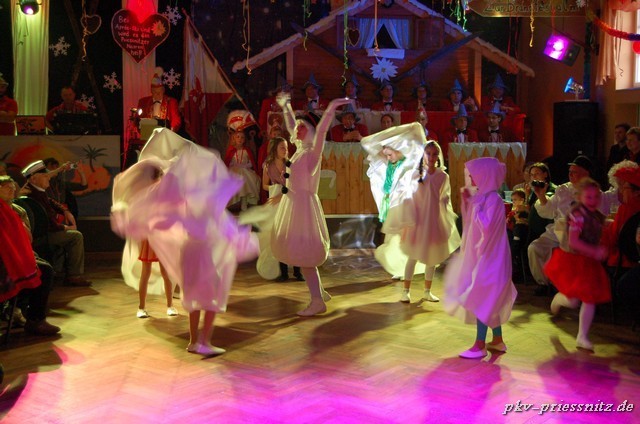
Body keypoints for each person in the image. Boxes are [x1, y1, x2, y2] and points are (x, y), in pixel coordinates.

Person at [111, 129, 259, 356]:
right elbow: (218, 219)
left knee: (195, 296)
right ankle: (203, 341)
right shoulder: (196, 198)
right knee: (211, 296)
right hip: (200, 251)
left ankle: (194, 341)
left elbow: (167, 218)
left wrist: (143, 220)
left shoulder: (183, 200)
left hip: (189, 251)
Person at [272, 93, 351, 316]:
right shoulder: (299, 151)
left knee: (305, 255)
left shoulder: (312, 154)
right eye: (297, 127)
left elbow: (323, 130)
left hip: (303, 208)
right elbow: (291, 125)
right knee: (301, 252)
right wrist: (286, 106)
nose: (297, 129)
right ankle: (319, 292)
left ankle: (317, 301)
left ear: (312, 131)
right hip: (295, 204)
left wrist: (332, 107)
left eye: (302, 127)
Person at [443, 157, 517, 359]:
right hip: (487, 255)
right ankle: (498, 339)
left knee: (482, 296)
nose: (472, 179)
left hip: (492, 256)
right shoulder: (484, 198)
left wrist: (474, 207)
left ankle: (480, 345)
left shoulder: (493, 200)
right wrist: (469, 203)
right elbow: (471, 225)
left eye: (475, 175)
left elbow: (486, 227)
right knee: (489, 297)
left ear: (485, 176)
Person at [527, 156, 618, 296]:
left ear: (586, 173)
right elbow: (549, 211)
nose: (570, 174)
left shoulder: (593, 192)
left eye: (574, 172)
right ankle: (545, 283)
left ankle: (568, 288)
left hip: (580, 235)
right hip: (557, 232)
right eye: (570, 171)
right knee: (534, 248)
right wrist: (541, 196)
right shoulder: (563, 189)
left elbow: (601, 215)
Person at [545, 178, 609, 351]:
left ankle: (582, 336)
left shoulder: (595, 215)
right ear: (579, 197)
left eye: (596, 197)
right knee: (573, 301)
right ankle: (559, 298)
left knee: (589, 298)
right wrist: (594, 251)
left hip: (587, 262)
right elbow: (574, 242)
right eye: (589, 197)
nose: (593, 201)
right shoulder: (578, 215)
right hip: (572, 261)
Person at [361, 122, 426, 279]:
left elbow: (419, 140)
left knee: (403, 238)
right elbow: (369, 147)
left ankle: (405, 268)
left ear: (400, 150)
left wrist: (413, 127)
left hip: (405, 207)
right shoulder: (388, 164)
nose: (387, 157)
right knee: (394, 237)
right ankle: (399, 269)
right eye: (387, 155)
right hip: (391, 205)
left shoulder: (408, 165)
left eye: (390, 154)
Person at [400, 141, 460, 303]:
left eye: (435, 154)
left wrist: (445, 216)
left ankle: (427, 291)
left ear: (439, 156)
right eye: (428, 154)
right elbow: (408, 198)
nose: (431, 157)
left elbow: (444, 198)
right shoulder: (415, 175)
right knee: (413, 255)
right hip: (418, 221)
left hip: (434, 220)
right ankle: (406, 291)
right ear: (423, 155)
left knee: (432, 256)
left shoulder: (443, 176)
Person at [0, 176, 59, 335]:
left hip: (18, 252)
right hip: (5, 258)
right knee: (43, 272)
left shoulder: (17, 210)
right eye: (6, 187)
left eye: (13, 187)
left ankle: (29, 316)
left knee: (44, 269)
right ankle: (27, 315)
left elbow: (27, 238)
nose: (12, 190)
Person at [241, 137, 304, 282]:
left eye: (286, 147)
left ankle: (297, 271)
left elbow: (296, 185)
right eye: (282, 147)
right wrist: (275, 188)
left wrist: (281, 194)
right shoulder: (268, 166)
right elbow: (264, 185)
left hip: (290, 203)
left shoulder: (291, 165)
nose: (285, 150)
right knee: (279, 236)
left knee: (293, 236)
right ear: (275, 149)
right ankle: (283, 272)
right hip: (276, 204)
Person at [22, 160, 91, 287]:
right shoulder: (33, 194)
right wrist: (67, 227)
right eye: (45, 176)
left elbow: (50, 201)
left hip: (46, 232)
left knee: (68, 235)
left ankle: (58, 271)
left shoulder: (38, 191)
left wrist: (65, 210)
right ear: (34, 179)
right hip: (42, 235)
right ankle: (74, 276)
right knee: (76, 236)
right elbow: (49, 224)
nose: (49, 178)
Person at [224, 113, 261, 211]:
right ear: (234, 138)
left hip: (245, 170)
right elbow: (228, 162)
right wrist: (234, 165)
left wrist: (245, 165)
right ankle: (233, 202)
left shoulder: (247, 151)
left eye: (242, 137)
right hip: (233, 170)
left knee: (247, 177)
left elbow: (251, 163)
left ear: (244, 140)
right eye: (238, 137)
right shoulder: (231, 151)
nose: (240, 139)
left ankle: (244, 201)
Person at [136, 68, 182, 132]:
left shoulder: (171, 102)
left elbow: (176, 120)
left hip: (165, 134)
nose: (157, 94)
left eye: (160, 92)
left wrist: (171, 131)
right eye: (155, 92)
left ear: (163, 90)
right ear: (151, 91)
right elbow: (138, 120)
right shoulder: (143, 102)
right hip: (148, 134)